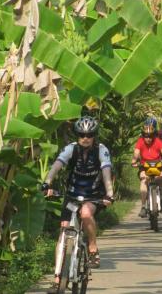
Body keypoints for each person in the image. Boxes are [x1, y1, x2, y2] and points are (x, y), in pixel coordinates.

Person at [42, 116, 114, 288]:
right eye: (81, 135)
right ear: (77, 135)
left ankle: (93, 248)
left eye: (89, 135)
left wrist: (109, 193)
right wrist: (47, 182)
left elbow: (106, 171)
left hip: (93, 195)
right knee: (63, 233)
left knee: (86, 213)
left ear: (94, 136)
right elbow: (57, 165)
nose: (85, 138)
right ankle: (57, 279)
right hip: (72, 195)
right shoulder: (70, 149)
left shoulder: (101, 150)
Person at [131, 119, 162, 216]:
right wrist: (134, 161)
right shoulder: (140, 141)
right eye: (146, 136)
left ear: (154, 135)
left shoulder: (158, 141)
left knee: (161, 178)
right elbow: (136, 153)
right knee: (143, 180)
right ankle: (143, 207)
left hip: (158, 166)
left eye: (150, 136)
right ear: (143, 135)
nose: (148, 138)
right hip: (144, 166)